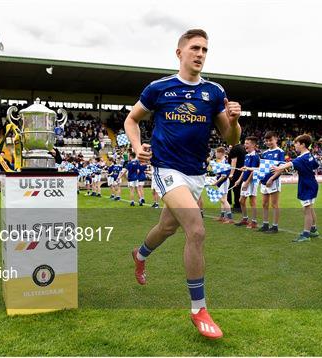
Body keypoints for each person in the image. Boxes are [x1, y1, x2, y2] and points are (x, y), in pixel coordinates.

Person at [124, 29, 241, 339]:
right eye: (194, 48)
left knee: (167, 228)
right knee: (197, 229)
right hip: (166, 169)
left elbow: (231, 138)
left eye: (204, 49)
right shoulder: (159, 88)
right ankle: (199, 309)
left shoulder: (214, 92)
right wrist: (137, 146)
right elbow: (131, 120)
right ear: (180, 53)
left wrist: (235, 120)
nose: (200, 54)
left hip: (196, 174)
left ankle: (140, 255)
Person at [272, 134, 320, 242]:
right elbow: (315, 166)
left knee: (307, 210)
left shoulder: (302, 158)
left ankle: (306, 235)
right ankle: (313, 229)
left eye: (296, 144)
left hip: (306, 185)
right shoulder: (309, 156)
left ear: (303, 144)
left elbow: (290, 163)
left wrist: (278, 168)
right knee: (309, 208)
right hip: (311, 183)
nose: (295, 146)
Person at [258, 131, 285, 233]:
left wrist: (271, 179)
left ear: (276, 139)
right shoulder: (264, 153)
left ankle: (275, 226)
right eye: (267, 140)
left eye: (271, 140)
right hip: (264, 181)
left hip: (274, 181)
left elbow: (281, 168)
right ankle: (265, 225)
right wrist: (261, 178)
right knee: (264, 204)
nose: (269, 142)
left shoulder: (280, 152)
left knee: (274, 204)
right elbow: (262, 168)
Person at [234, 136, 260, 229]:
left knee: (252, 201)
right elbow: (245, 169)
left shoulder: (255, 156)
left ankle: (254, 222)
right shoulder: (247, 156)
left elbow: (253, 171)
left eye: (247, 143)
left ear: (253, 145)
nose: (245, 145)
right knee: (241, 200)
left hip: (252, 181)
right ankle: (245, 219)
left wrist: (246, 182)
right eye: (245, 143)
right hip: (245, 181)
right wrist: (239, 180)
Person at [211, 147, 233, 223]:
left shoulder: (224, 163)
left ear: (221, 153)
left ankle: (230, 218)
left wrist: (216, 183)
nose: (215, 154)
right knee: (223, 200)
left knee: (223, 200)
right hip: (222, 182)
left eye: (216, 152)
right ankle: (222, 216)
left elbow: (223, 176)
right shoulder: (220, 162)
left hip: (223, 182)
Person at [227, 143, 246, 212]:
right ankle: (237, 205)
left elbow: (233, 162)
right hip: (241, 170)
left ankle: (236, 206)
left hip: (236, 171)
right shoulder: (242, 147)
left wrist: (231, 173)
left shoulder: (234, 148)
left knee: (234, 189)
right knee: (237, 189)